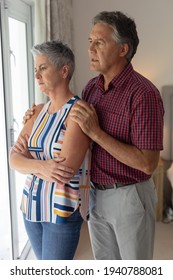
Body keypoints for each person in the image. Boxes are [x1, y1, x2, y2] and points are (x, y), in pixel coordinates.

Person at [23, 11, 164, 260]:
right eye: (90, 41)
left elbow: (147, 163)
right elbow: (65, 115)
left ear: (123, 49)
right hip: (96, 196)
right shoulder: (91, 88)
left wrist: (96, 133)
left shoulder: (144, 94)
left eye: (99, 42)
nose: (90, 48)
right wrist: (37, 114)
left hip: (129, 195)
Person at [9, 40, 91, 260]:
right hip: (31, 206)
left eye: (43, 68)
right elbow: (13, 158)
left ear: (64, 70)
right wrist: (43, 166)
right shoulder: (36, 111)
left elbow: (64, 171)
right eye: (36, 69)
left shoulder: (78, 111)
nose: (36, 75)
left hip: (60, 210)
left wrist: (28, 162)